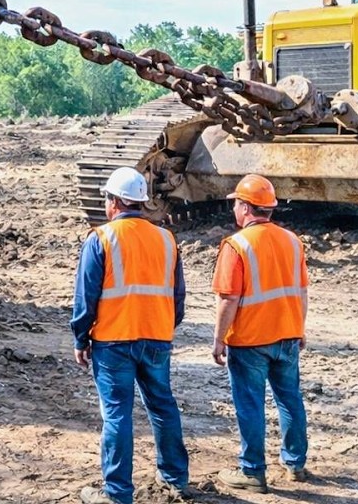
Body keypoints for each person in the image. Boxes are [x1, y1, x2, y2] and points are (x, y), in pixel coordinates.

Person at [71, 167, 189, 504]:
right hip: (156, 337)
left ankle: (118, 493)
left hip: (113, 341)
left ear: (115, 202)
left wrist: (81, 338)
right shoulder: (167, 239)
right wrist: (165, 326)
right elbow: (177, 296)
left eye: (106, 198)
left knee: (117, 414)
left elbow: (86, 298)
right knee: (163, 407)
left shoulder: (102, 239)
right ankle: (175, 479)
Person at [211, 174, 309, 494]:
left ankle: (252, 471)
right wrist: (299, 328)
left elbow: (229, 298)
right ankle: (295, 463)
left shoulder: (236, 245)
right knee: (290, 400)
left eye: (236, 204)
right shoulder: (293, 241)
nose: (234, 210)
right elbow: (302, 291)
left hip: (251, 341)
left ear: (245, 208)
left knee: (250, 405)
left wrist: (218, 339)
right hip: (287, 335)